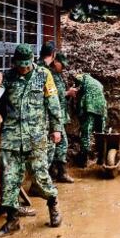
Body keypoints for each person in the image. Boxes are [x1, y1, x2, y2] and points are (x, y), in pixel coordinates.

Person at [0, 44, 64, 238]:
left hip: (36, 136)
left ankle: (53, 204)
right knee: (9, 178)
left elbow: (53, 103)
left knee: (40, 175)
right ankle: (12, 220)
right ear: (15, 63)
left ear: (32, 61)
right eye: (20, 65)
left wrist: (56, 129)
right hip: (11, 137)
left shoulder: (44, 75)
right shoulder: (8, 78)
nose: (23, 69)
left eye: (26, 65)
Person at [48, 52, 73, 183]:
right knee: (61, 143)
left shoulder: (58, 75)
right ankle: (59, 173)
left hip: (59, 114)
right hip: (54, 116)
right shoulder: (50, 75)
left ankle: (55, 173)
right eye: (62, 65)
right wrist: (68, 92)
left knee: (57, 144)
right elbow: (53, 96)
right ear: (55, 61)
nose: (63, 68)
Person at [74, 72, 107, 167]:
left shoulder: (80, 77)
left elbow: (79, 92)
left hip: (90, 107)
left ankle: (83, 160)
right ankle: (101, 159)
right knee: (100, 133)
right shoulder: (97, 83)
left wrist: (80, 111)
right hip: (102, 108)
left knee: (86, 133)